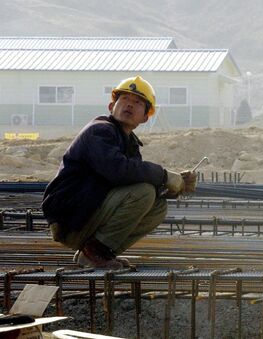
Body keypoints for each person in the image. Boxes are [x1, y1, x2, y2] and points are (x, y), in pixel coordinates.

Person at [41, 76, 197, 270]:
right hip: (70, 218)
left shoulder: (129, 143)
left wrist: (174, 187)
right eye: (124, 99)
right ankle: (94, 252)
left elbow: (131, 183)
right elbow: (119, 171)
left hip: (87, 213)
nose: (129, 105)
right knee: (144, 192)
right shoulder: (100, 131)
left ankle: (98, 252)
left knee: (157, 206)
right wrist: (164, 176)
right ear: (111, 106)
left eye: (137, 102)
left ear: (145, 117)